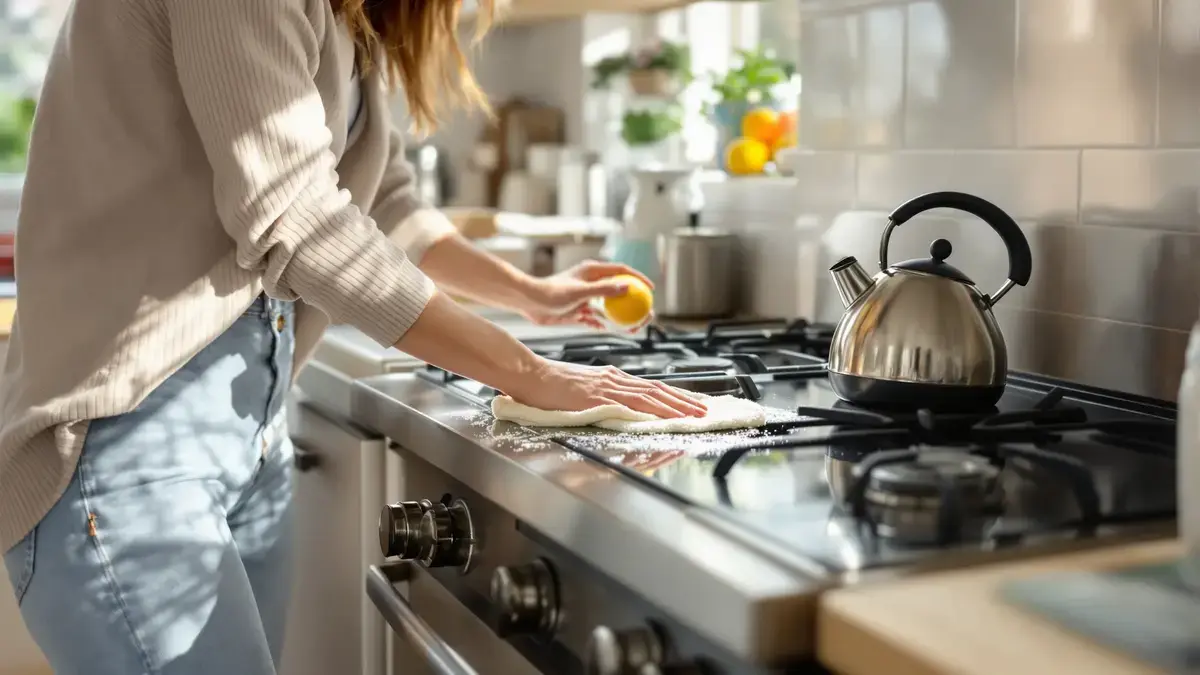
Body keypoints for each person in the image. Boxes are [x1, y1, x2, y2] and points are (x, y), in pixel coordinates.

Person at [0, 0, 707, 673]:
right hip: (126, 439)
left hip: (252, 435)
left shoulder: (350, 18)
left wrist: (528, 292)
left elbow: (385, 197)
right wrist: (527, 372)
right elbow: (298, 217)